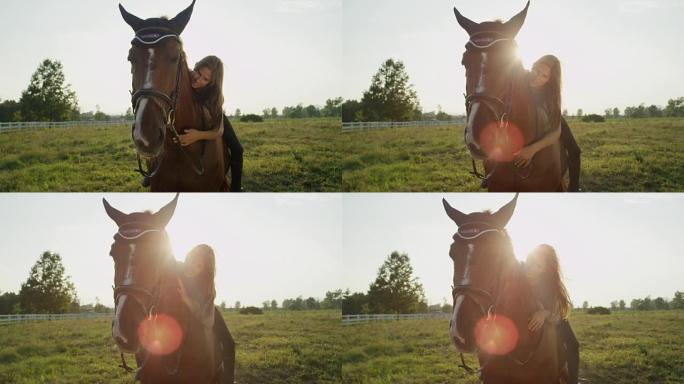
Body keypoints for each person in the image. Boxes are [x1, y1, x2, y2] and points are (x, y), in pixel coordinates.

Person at [143, 55, 244, 192]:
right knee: (156, 131)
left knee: (237, 149)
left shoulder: (215, 96)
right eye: (199, 73)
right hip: (186, 111)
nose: (199, 79)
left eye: (205, 79)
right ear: (196, 67)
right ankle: (152, 172)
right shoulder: (188, 74)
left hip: (212, 112)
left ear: (212, 82)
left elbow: (218, 132)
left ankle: (237, 190)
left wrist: (198, 135)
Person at [513, 55, 582, 191]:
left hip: (550, 116)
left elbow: (556, 131)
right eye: (536, 71)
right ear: (532, 65)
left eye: (544, 76)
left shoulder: (551, 94)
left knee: (575, 151)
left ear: (550, 80)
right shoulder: (521, 78)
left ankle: (574, 188)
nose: (537, 77)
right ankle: (491, 174)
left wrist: (532, 149)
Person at [178, 244, 236, 384]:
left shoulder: (205, 284)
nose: (192, 267)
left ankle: (226, 380)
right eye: (191, 260)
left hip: (205, 309)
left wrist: (187, 300)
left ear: (204, 269)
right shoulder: (176, 268)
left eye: (198, 265)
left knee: (229, 342)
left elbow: (206, 316)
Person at [524, 244, 579, 384]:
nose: (531, 268)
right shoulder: (519, 273)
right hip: (527, 317)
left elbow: (560, 308)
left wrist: (544, 313)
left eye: (538, 266)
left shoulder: (550, 283)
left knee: (572, 344)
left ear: (545, 269)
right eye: (530, 262)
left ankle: (572, 381)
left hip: (553, 317)